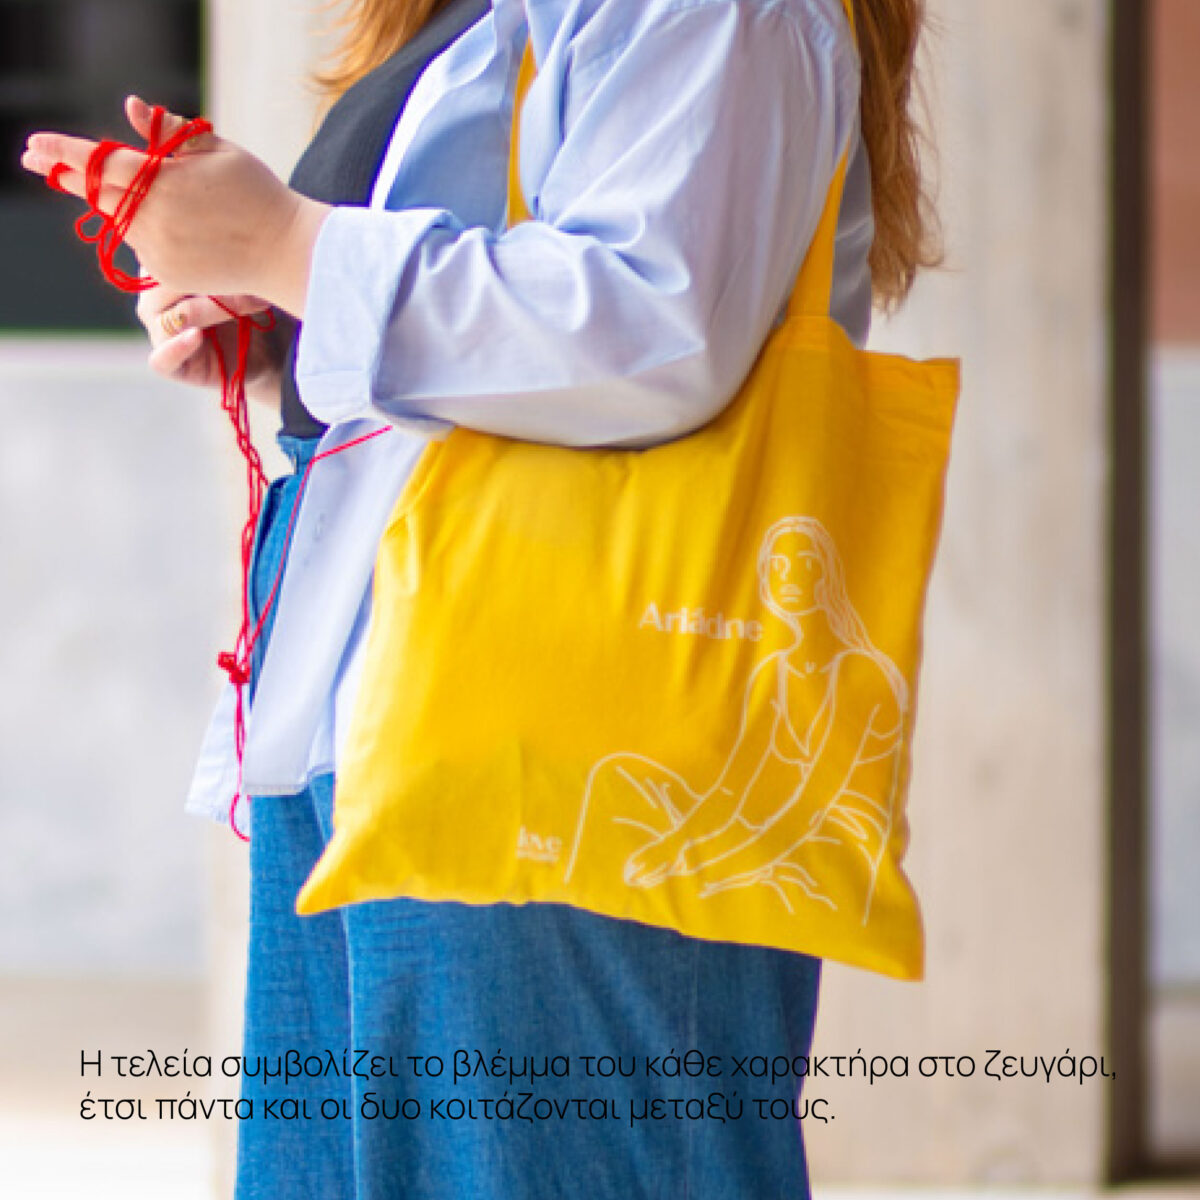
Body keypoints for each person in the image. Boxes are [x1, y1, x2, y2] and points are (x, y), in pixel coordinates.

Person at [22, 0, 939, 1194]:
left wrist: (286, 243)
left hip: (556, 713)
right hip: (387, 705)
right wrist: (282, 318)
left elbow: (650, 332)